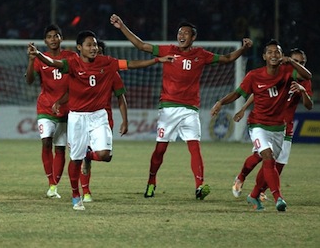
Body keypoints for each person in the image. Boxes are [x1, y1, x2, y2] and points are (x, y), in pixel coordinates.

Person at [110, 14, 253, 200]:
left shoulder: (201, 54)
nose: (181, 35)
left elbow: (226, 58)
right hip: (168, 109)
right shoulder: (167, 50)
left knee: (194, 147)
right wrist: (122, 26)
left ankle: (199, 186)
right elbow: (141, 45)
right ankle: (151, 181)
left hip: (190, 110)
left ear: (193, 38)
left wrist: (243, 48)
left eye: (186, 33)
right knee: (160, 149)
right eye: (179, 33)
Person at [28, 30, 173, 210]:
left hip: (99, 115)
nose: (94, 48)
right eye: (89, 45)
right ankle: (75, 195)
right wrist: (39, 55)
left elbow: (131, 64)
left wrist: (157, 60)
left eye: (95, 45)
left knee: (106, 155)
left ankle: (88, 155)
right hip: (77, 117)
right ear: (79, 48)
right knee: (74, 159)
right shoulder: (72, 63)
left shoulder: (107, 63)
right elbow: (53, 63)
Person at [211, 39, 312, 211]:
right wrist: (223, 103)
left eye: (277, 52)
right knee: (266, 156)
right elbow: (245, 93)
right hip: (258, 124)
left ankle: (255, 194)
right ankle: (277, 197)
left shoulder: (290, 73)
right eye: (270, 52)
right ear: (264, 56)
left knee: (273, 163)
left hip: (281, 127)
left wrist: (295, 69)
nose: (274, 55)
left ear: (282, 56)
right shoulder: (254, 75)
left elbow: (307, 78)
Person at [230, 47, 313, 199]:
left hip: (285, 127)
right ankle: (241, 178)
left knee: (278, 164)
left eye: (303, 62)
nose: (299, 64)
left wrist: (303, 91)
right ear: (287, 59)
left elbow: (309, 106)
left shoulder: (304, 80)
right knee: (260, 156)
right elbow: (260, 92)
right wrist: (243, 108)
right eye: (295, 61)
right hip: (265, 123)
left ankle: (259, 191)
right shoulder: (280, 73)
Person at [53, 40, 128, 203]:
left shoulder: (110, 71)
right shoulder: (80, 69)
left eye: (99, 51)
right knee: (80, 158)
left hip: (102, 118)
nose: (96, 53)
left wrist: (125, 120)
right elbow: (71, 91)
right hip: (82, 116)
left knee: (105, 156)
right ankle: (85, 192)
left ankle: (87, 156)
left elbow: (120, 96)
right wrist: (60, 101)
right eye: (94, 49)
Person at [25, 24, 77, 199]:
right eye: (49, 36)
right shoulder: (40, 58)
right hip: (45, 107)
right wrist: (32, 60)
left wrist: (63, 101)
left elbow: (76, 82)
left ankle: (55, 185)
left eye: (56, 36)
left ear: (61, 38)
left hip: (66, 109)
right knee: (46, 142)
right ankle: (51, 183)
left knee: (60, 148)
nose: (53, 39)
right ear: (45, 41)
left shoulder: (71, 57)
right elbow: (30, 80)